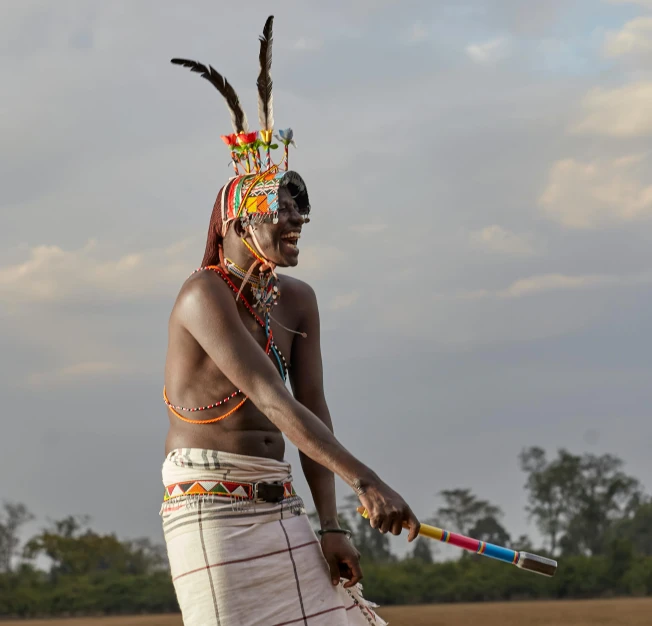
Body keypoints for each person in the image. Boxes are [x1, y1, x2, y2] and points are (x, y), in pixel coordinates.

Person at [161, 16, 420, 625]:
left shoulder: (298, 299)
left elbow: (312, 407)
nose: (296, 221)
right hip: (212, 513)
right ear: (237, 223)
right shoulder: (203, 295)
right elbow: (272, 400)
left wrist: (330, 524)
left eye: (300, 211)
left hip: (281, 507)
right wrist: (368, 481)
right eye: (280, 211)